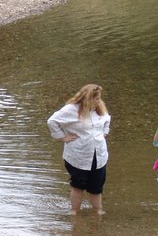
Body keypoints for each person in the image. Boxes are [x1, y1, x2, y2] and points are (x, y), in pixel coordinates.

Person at [47, 84, 111, 215]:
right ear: (87, 98)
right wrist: (62, 137)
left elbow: (107, 120)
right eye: (96, 98)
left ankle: (98, 211)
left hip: (99, 154)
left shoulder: (100, 108)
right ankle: (74, 211)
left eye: (99, 98)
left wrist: (105, 132)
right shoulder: (71, 109)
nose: (99, 101)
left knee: (96, 186)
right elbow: (52, 121)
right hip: (78, 155)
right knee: (78, 185)